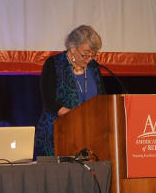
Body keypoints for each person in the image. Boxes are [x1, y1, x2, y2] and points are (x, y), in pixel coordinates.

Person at [34, 25, 106, 156]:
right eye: (85, 54)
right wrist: (77, 117)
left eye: (93, 55)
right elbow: (49, 102)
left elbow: (102, 99)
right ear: (73, 49)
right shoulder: (54, 64)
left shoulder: (94, 68)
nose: (89, 59)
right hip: (56, 135)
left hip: (88, 135)